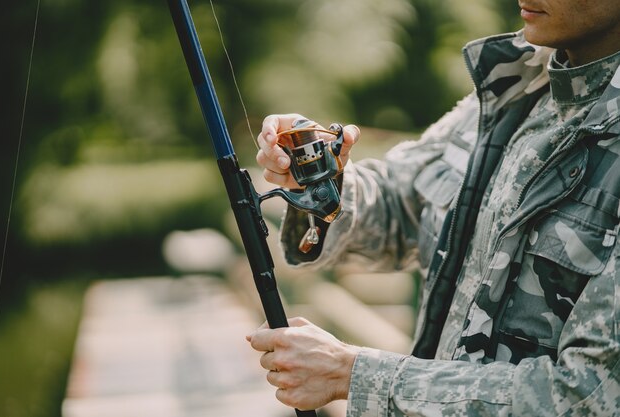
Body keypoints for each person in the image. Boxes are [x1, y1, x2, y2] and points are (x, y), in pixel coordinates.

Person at [247, 1, 620, 415]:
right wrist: (317, 173)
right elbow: (402, 203)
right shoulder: (518, 84)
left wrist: (353, 374)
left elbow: (588, 397)